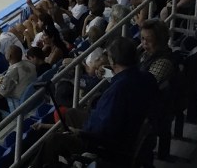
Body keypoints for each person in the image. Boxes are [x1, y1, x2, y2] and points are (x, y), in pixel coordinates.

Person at [36, 37, 159, 165]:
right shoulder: (147, 77)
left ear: (112, 61)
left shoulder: (117, 91)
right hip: (127, 132)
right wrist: (108, 73)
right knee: (70, 113)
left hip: (108, 146)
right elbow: (125, 81)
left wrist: (80, 132)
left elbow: (102, 130)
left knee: (53, 140)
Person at [0, 45, 39, 123]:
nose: (5, 53)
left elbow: (0, 95)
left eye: (6, 52)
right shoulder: (30, 64)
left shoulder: (12, 72)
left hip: (17, 104)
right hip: (30, 97)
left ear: (10, 56)